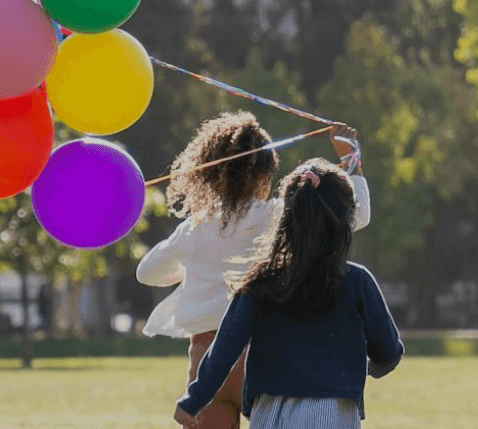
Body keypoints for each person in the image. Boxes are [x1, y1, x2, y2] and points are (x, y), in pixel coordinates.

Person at [137, 112, 371, 429]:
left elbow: (147, 273)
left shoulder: (194, 228)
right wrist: (350, 159)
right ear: (266, 171)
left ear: (209, 174)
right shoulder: (278, 216)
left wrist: (195, 265)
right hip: (266, 355)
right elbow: (356, 216)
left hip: (206, 360)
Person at [172, 160, 403, 429]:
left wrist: (194, 399)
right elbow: (388, 353)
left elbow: (225, 346)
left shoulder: (261, 281)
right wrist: (369, 366)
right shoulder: (357, 281)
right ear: (346, 221)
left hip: (269, 411)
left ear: (286, 218)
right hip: (332, 411)